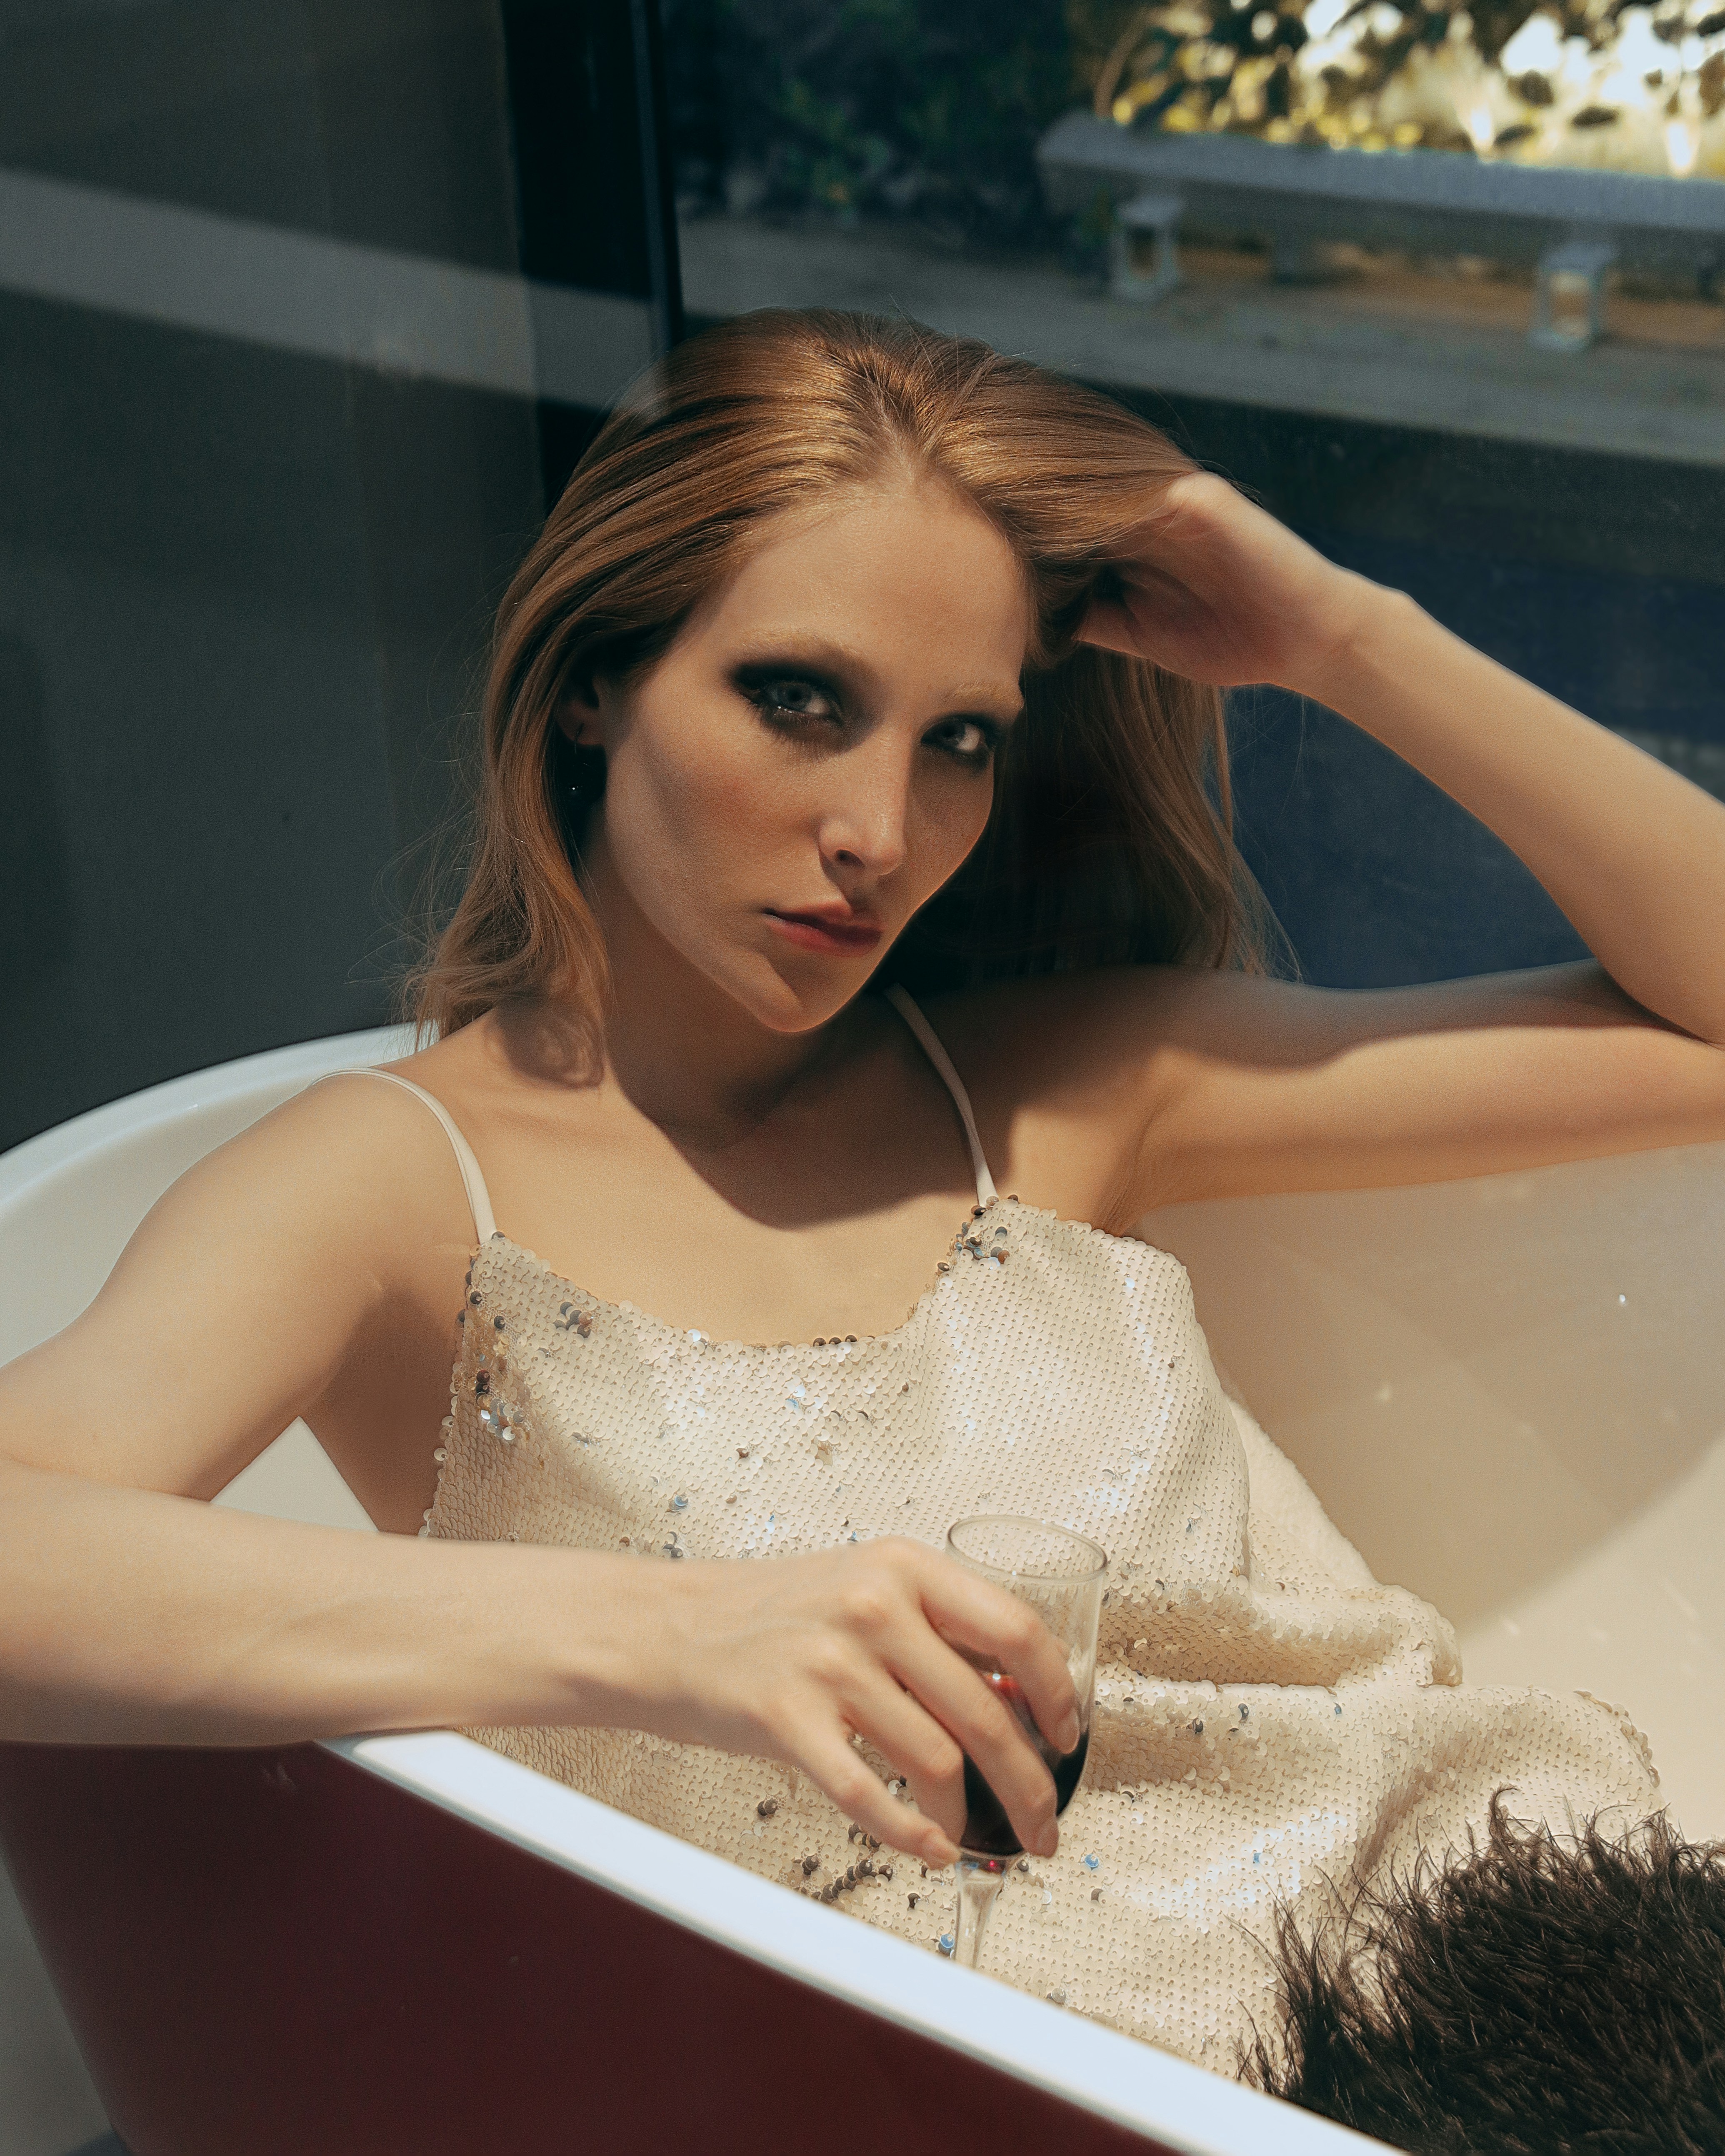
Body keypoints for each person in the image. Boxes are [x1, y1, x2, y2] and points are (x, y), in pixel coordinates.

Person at [3, 310, 1723, 2141]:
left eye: (959, 738)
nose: (883, 829)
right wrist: (676, 1636)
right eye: (800, 700)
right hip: (1020, 2094)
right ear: (594, 678)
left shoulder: (1065, 1086)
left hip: (1521, 1940)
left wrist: (1340, 639)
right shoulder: (401, 1186)